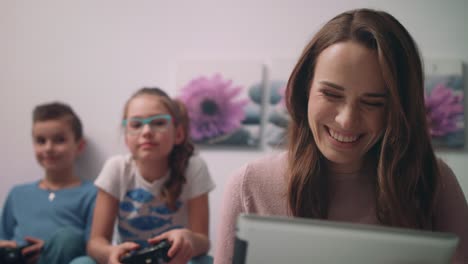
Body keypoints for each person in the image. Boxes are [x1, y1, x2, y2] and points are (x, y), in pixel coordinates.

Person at [214, 8, 468, 264]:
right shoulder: (249, 185)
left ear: (397, 109)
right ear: (305, 90)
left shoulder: (434, 181)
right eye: (332, 95)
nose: (347, 120)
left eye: (373, 102)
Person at [87, 87, 215, 264]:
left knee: (205, 261)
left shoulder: (193, 168)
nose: (146, 131)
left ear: (178, 134)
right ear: (126, 138)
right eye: (136, 124)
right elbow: (96, 242)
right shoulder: (116, 168)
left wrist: (189, 239)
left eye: (158, 123)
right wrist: (111, 253)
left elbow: (203, 240)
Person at [0, 102, 97, 264]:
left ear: (79, 146)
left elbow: (94, 245)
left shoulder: (92, 193)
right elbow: (3, 237)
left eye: (59, 140)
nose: (49, 148)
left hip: (67, 258)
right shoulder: (18, 194)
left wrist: (50, 249)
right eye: (41, 141)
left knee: (70, 241)